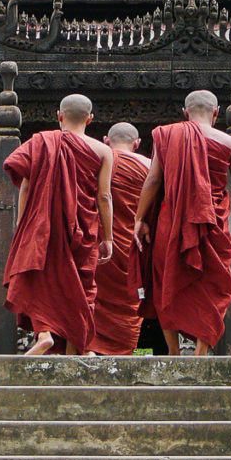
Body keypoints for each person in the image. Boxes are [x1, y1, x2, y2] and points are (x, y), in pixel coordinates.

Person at [133, 90, 231, 356]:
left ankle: (174, 351)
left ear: (185, 113)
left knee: (167, 281)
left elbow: (153, 180)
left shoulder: (166, 135)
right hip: (212, 221)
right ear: (216, 112)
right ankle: (201, 350)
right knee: (213, 284)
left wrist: (140, 219)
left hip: (171, 220)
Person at [3, 94, 114, 355]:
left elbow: (27, 185)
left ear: (59, 115)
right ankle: (74, 353)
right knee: (81, 287)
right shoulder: (103, 150)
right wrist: (108, 237)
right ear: (90, 119)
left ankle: (44, 334)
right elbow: (104, 196)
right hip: (83, 228)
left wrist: (23, 222)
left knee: (43, 280)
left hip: (43, 226)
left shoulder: (41, 142)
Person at [88, 122, 151, 355]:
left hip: (100, 244)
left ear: (106, 140)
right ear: (137, 144)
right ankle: (121, 352)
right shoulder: (149, 166)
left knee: (93, 295)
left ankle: (88, 348)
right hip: (134, 247)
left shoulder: (96, 161)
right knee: (130, 298)